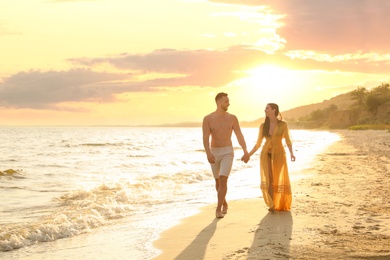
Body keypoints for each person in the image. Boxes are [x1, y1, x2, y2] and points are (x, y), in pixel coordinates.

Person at [202, 92, 249, 218]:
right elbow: (205, 138)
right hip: (214, 152)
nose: (229, 103)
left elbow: (239, 135)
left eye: (228, 101)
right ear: (219, 102)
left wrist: (245, 151)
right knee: (217, 181)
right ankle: (224, 203)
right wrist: (208, 153)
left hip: (227, 151)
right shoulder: (208, 119)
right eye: (226, 101)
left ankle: (218, 209)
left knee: (223, 179)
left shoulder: (232, 118)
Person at [243, 103, 295, 212]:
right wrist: (248, 154)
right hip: (265, 154)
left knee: (276, 179)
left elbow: (288, 140)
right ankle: (271, 205)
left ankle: (277, 202)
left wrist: (291, 153)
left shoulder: (283, 125)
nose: (265, 110)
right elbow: (258, 144)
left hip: (279, 154)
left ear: (274, 110)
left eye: (267, 108)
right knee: (269, 179)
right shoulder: (263, 126)